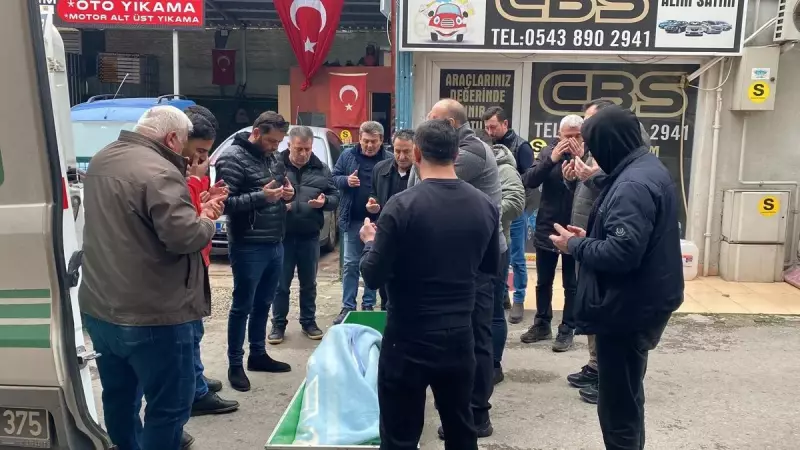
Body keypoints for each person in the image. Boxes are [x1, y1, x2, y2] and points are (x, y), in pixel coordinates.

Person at [79, 105, 223, 450]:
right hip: (154, 314)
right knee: (169, 406)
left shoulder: (102, 159)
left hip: (102, 306)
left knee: (120, 397)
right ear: (172, 138)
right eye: (186, 145)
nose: (189, 156)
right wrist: (206, 217)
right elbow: (185, 237)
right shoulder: (160, 171)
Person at [359, 118, 501, 450]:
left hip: (407, 337)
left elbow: (373, 275)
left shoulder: (401, 205)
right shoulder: (484, 206)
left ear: (418, 154)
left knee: (400, 434)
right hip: (459, 335)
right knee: (460, 429)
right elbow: (488, 269)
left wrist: (369, 242)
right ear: (456, 154)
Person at [549, 105, 683, 450]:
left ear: (609, 144)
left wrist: (575, 245)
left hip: (627, 307)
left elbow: (622, 253)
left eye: (594, 145)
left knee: (617, 406)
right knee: (628, 395)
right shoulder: (645, 166)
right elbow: (630, 236)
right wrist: (591, 236)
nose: (593, 155)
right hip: (643, 299)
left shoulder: (633, 184)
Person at [407, 99, 503, 439]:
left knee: (475, 336)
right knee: (465, 333)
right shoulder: (462, 147)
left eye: (432, 118)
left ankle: (476, 414)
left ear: (449, 124)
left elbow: (427, 189)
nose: (426, 121)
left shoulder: (469, 152)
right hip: (465, 252)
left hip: (476, 257)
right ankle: (462, 407)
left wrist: (418, 161)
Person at [564, 99, 653, 405]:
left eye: (590, 122)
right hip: (590, 237)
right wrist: (574, 178)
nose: (585, 129)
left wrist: (593, 178)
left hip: (604, 243)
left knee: (609, 309)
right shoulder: (598, 148)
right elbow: (589, 188)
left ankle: (610, 377)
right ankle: (596, 365)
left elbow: (615, 192)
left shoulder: (629, 162)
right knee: (593, 301)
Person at [216, 111, 294, 392]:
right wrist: (262, 197)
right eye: (272, 141)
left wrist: (288, 194)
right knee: (242, 306)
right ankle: (235, 364)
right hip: (248, 243)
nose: (276, 147)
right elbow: (224, 203)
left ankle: (258, 354)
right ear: (257, 133)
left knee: (264, 302)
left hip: (275, 240)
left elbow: (281, 186)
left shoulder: (273, 157)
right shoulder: (232, 158)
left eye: (279, 142)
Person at [182, 106, 240, 417]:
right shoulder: (176, 174)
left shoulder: (192, 173)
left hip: (200, 261)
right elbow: (187, 222)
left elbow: (195, 207)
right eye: (200, 152)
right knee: (189, 332)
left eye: (206, 153)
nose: (202, 159)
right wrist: (196, 183)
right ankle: (195, 393)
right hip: (186, 265)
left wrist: (207, 192)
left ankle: (196, 378)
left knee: (196, 330)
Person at [269, 126, 340, 344]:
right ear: (289, 145)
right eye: (298, 149)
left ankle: (308, 322)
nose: (303, 153)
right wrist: (280, 204)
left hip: (310, 235)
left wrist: (324, 202)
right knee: (281, 284)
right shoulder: (275, 166)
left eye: (307, 149)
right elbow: (263, 195)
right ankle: (278, 325)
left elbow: (335, 196)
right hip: (282, 236)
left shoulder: (321, 168)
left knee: (308, 283)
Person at [520, 114, 583, 352]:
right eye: (568, 136)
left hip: (575, 227)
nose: (572, 141)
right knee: (543, 281)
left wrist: (580, 160)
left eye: (577, 136)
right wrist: (552, 159)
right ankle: (542, 323)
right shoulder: (548, 152)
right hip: (548, 225)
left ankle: (567, 328)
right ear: (559, 135)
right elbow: (529, 180)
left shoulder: (590, 155)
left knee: (572, 284)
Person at [475, 130, 524, 385]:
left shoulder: (504, 168)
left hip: (496, 247)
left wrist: (480, 215)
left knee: (493, 310)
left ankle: (494, 364)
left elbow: (516, 202)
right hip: (469, 250)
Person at [331, 121, 392, 324]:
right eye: (366, 141)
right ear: (360, 139)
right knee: (350, 264)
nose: (369, 145)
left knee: (372, 263)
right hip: (353, 219)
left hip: (379, 222)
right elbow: (334, 178)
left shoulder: (389, 159)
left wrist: (380, 205)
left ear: (381, 140)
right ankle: (348, 306)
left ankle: (368, 304)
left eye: (374, 141)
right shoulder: (348, 156)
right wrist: (346, 181)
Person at [482, 106, 536, 324]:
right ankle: (503, 294)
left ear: (505, 124)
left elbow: (530, 180)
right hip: (496, 208)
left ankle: (519, 299)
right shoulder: (488, 146)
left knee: (517, 257)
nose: (490, 131)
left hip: (515, 211)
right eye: (487, 128)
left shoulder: (522, 147)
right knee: (500, 254)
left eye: (493, 127)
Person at [366, 129, 415, 311]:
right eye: (397, 151)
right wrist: (373, 204)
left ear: (416, 150)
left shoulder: (421, 172)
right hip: (386, 235)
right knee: (385, 288)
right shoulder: (380, 169)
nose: (401, 157)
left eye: (406, 152)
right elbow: (374, 193)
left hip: (412, 238)